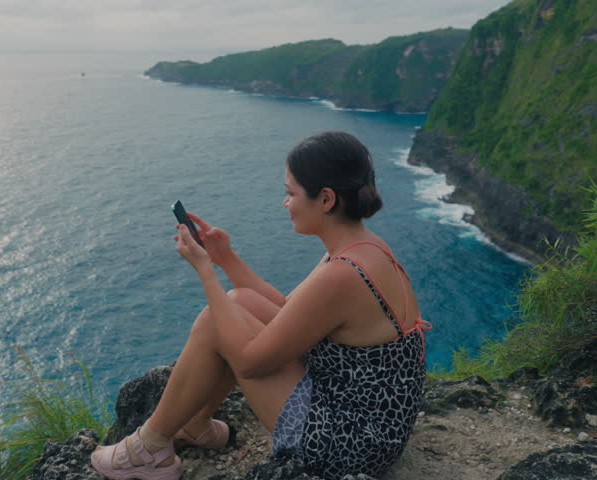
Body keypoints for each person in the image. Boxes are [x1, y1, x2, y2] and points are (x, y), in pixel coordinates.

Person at [90, 131, 432, 480]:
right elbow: (287, 311)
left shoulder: (343, 275)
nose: (285, 203)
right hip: (369, 424)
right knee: (241, 302)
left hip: (347, 446)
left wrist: (206, 273)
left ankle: (146, 449)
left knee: (216, 321)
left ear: (326, 199)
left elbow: (249, 363)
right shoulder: (362, 247)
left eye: (290, 193)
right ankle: (195, 424)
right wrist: (225, 258)